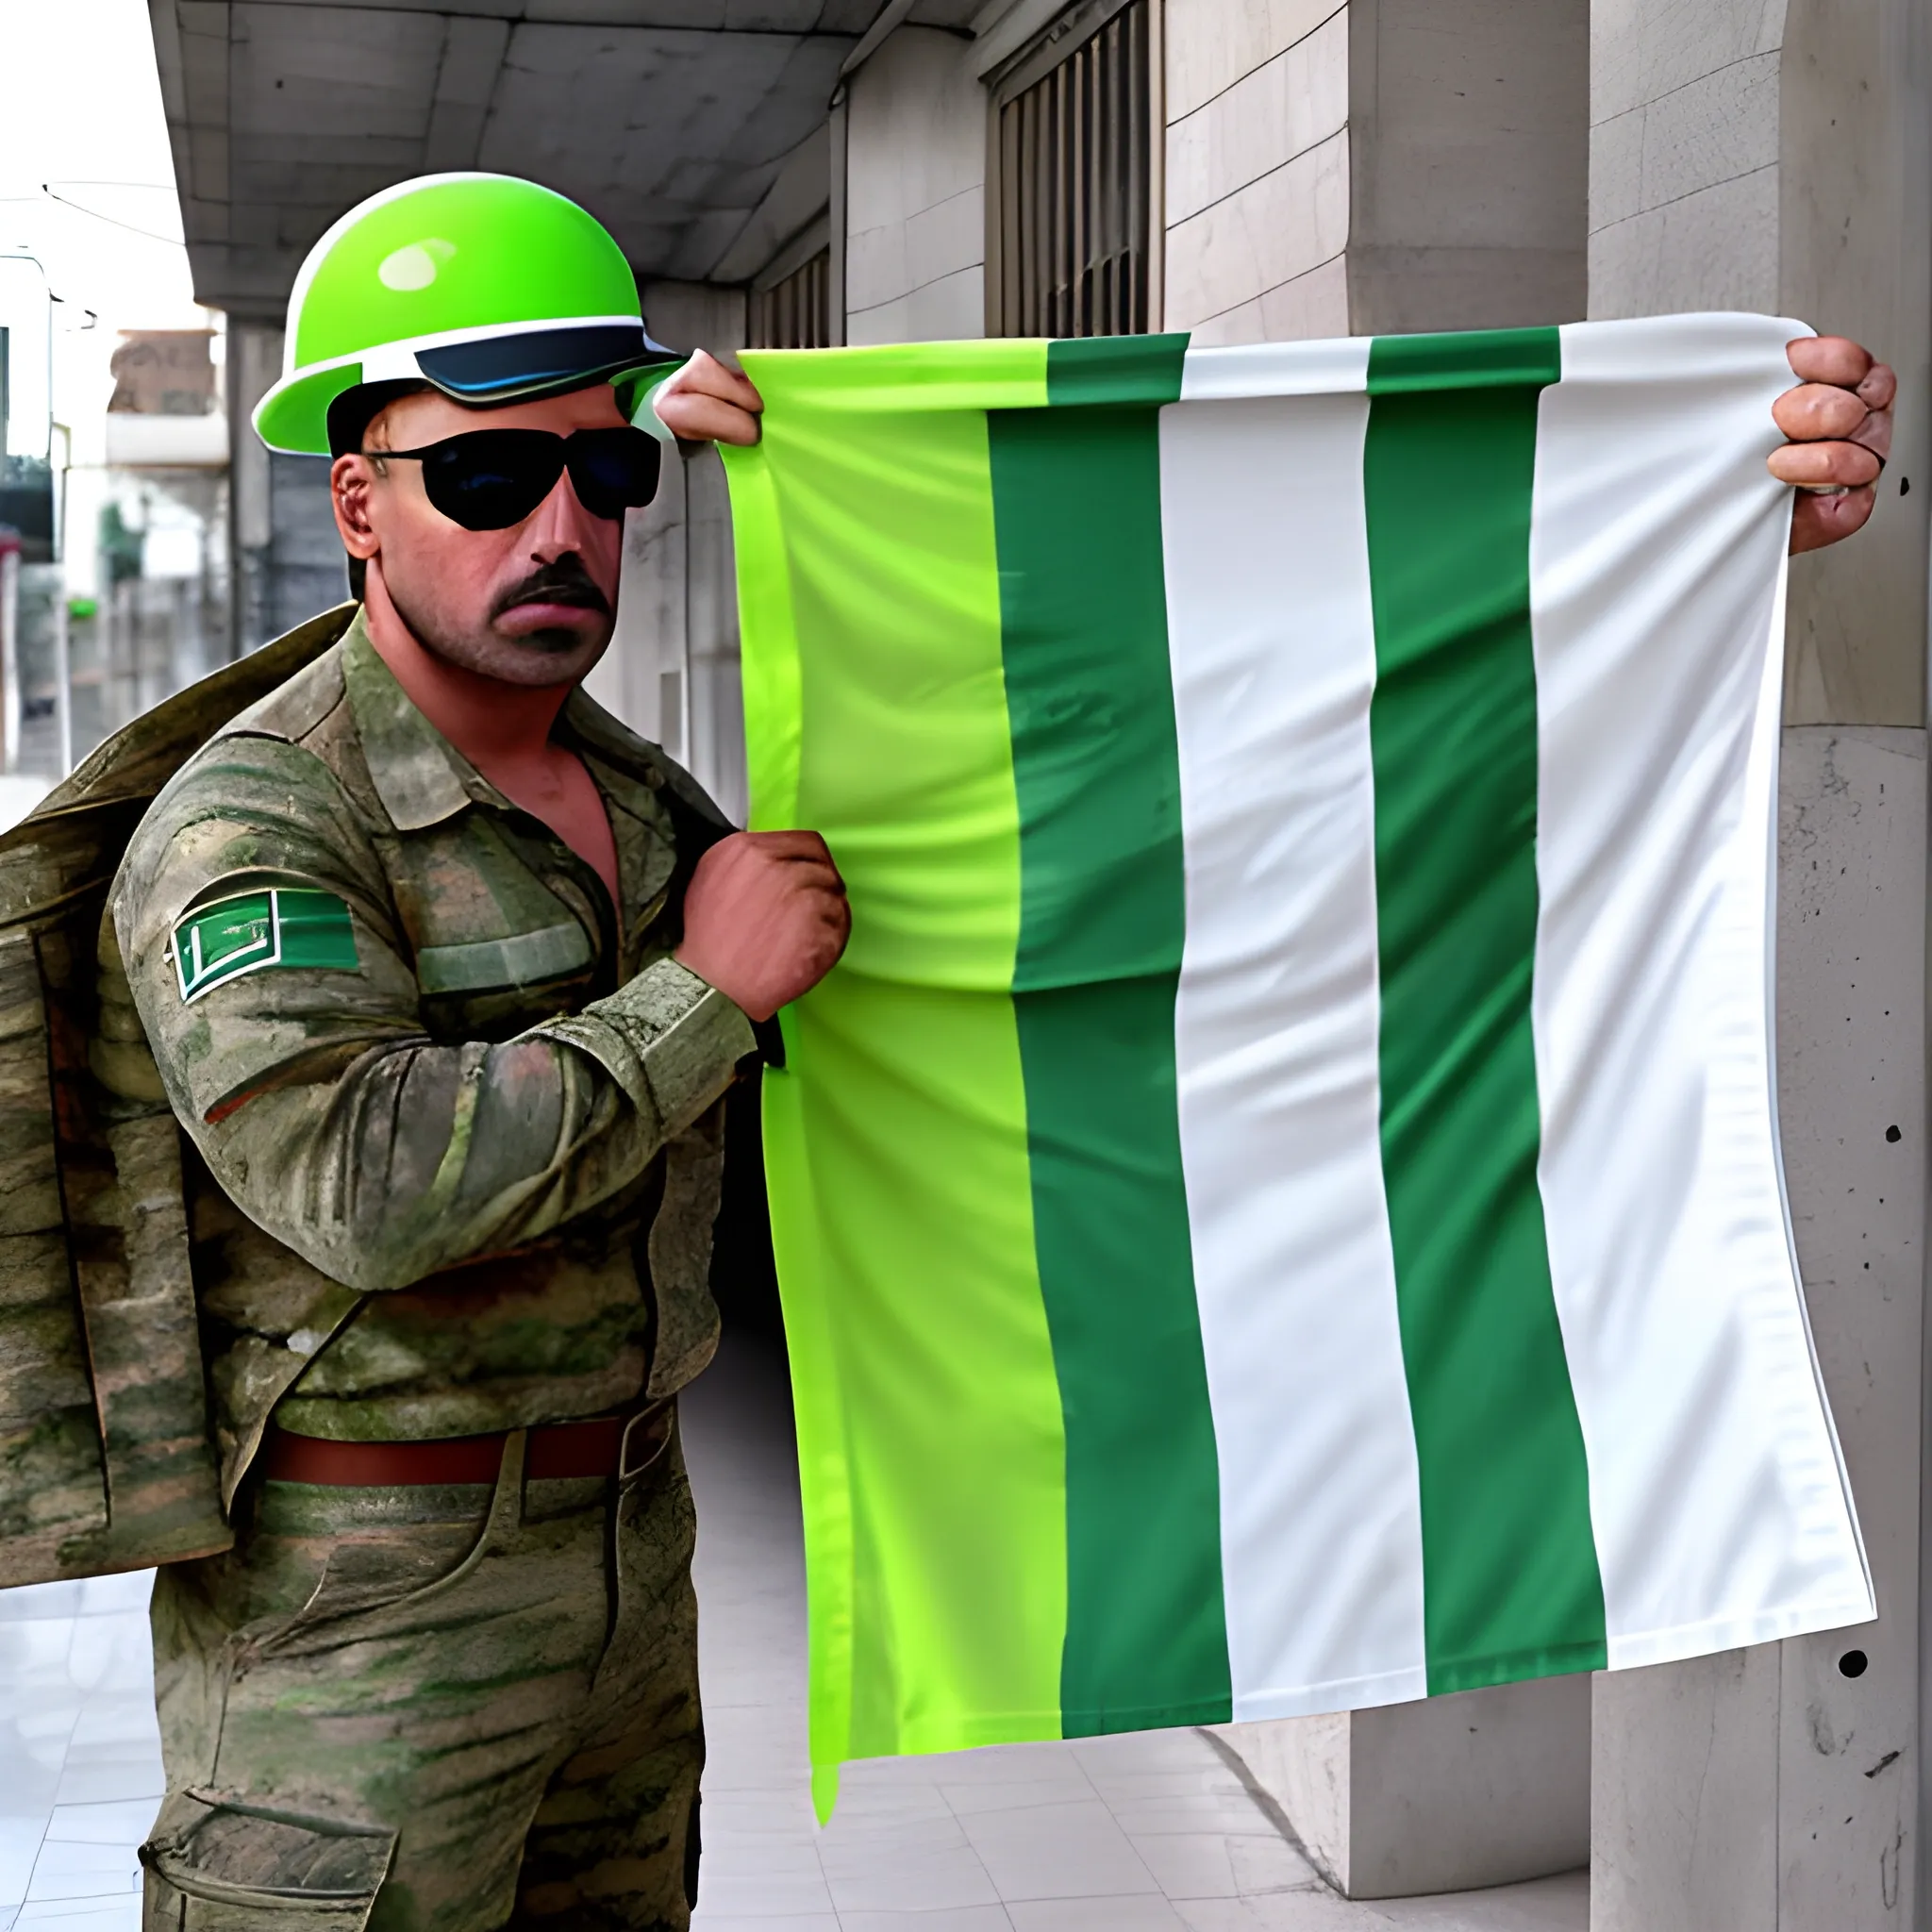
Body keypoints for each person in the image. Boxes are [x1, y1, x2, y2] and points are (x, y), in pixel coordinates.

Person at [108, 167, 1892, 1932]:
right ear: (357, 501)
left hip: (629, 1567)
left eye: (605, 467)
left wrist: (1666, 547)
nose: (558, 527)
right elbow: (350, 1183)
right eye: (487, 474)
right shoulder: (260, 821)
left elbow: (1152, 765)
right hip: (353, 1629)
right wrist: (702, 997)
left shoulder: (639, 803)